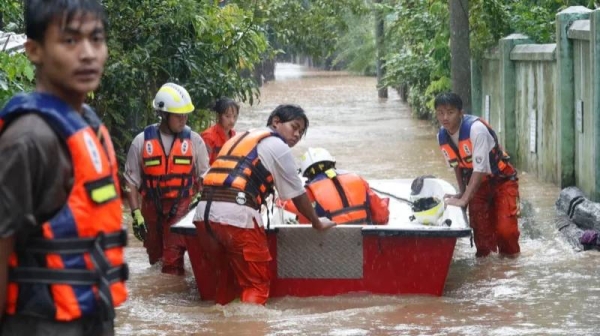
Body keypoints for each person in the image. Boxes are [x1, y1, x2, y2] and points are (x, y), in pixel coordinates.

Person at [0, 1, 128, 334]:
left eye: (96, 39)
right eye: (69, 41)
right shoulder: (26, 140)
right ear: (35, 50)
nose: (87, 54)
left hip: (91, 320)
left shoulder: (90, 128)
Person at [193, 104, 336, 305]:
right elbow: (297, 195)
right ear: (276, 122)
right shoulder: (279, 147)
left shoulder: (239, 138)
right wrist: (316, 222)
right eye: (294, 127)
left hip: (203, 217)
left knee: (227, 281)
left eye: (301, 132)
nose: (296, 135)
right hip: (237, 217)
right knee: (256, 285)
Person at [124, 82, 210, 275]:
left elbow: (205, 175)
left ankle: (173, 295)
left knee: (172, 263)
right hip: (151, 208)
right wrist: (136, 214)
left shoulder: (195, 141)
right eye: (179, 115)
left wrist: (200, 198)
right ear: (163, 114)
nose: (184, 119)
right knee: (155, 260)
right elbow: (130, 181)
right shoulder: (141, 141)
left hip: (181, 207)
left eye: (186, 115)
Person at [435, 92, 520, 258]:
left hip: (502, 180)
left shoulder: (476, 130)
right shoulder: (442, 136)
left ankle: (512, 269)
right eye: (440, 113)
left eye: (450, 112)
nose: (445, 117)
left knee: (506, 232)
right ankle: (486, 275)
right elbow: (456, 165)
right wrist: (461, 191)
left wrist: (464, 199)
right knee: (482, 241)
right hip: (478, 186)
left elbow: (480, 169)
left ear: (461, 113)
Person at [280, 147, 390, 225]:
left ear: (307, 173)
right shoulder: (357, 179)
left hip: (331, 241)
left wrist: (280, 201)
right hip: (362, 238)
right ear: (332, 163)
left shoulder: (310, 191)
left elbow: (305, 225)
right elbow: (382, 214)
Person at [201, 97, 239, 164]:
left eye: (235, 116)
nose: (232, 121)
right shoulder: (208, 137)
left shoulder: (234, 135)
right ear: (219, 116)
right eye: (227, 116)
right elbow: (204, 164)